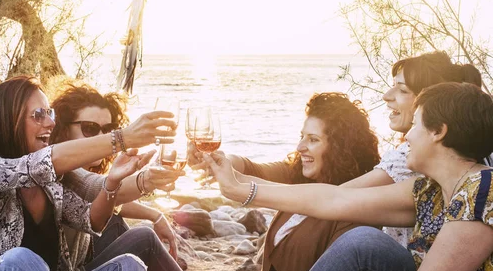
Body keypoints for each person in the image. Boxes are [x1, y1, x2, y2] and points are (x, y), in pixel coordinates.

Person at [206, 82, 493, 271]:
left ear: (438, 131)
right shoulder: (426, 189)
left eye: (415, 124)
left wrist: (242, 188)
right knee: (364, 241)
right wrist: (239, 186)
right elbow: (335, 199)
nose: (407, 136)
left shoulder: (483, 188)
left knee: (363, 244)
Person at [191, 50, 483, 250]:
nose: (386, 96)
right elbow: (282, 177)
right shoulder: (423, 181)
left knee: (362, 245)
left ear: (433, 107)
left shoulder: (472, 187)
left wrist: (242, 190)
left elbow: (336, 199)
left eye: (402, 90)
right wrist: (230, 173)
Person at [0, 76, 178, 271]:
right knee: (20, 261)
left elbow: (91, 220)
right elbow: (37, 164)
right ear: (7, 120)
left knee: (129, 265)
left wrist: (114, 181)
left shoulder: (49, 184)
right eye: (38, 114)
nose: (49, 123)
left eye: (50, 113)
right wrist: (122, 138)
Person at [206, 92, 381, 271]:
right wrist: (217, 160)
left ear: (341, 148)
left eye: (313, 139)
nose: (300, 147)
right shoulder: (299, 174)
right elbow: (250, 169)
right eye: (302, 137)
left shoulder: (355, 205)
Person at [49, 81, 201, 271]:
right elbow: (101, 189)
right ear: (63, 130)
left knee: (119, 225)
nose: (102, 137)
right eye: (90, 129)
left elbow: (108, 197)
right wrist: (146, 180)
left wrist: (155, 214)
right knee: (143, 239)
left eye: (108, 130)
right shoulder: (54, 167)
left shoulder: (81, 171)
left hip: (78, 270)